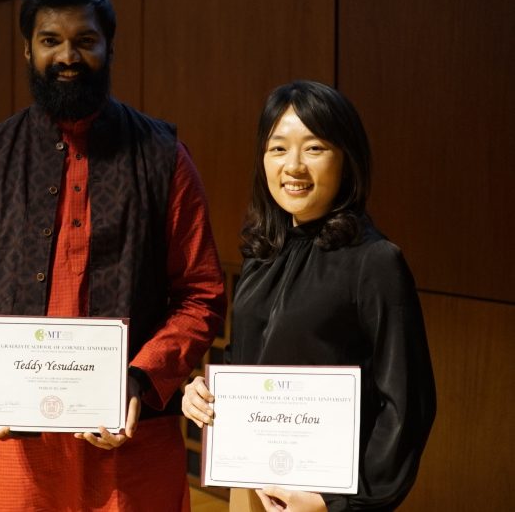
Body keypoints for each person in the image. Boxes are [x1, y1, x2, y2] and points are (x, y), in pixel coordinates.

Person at [0, 0, 227, 511]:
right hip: (16, 447)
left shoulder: (163, 157)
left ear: (109, 47)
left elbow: (201, 294)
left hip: (130, 438)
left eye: (85, 41)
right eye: (50, 40)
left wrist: (139, 380)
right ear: (28, 49)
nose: (67, 56)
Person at [182, 80, 436, 512]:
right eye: (278, 148)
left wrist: (338, 502)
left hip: (323, 499)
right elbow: (247, 362)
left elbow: (408, 405)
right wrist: (203, 391)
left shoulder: (375, 261)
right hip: (251, 481)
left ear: (346, 159)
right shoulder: (263, 253)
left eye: (314, 148)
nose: (293, 166)